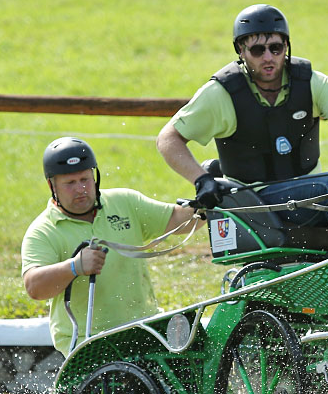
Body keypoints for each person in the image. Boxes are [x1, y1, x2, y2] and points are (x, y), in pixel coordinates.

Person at [156, 3, 328, 249]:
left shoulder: (312, 82)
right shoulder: (221, 94)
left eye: (275, 47)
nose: (268, 57)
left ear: (286, 46)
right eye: (258, 50)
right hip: (253, 203)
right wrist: (201, 180)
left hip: (307, 200)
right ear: (241, 50)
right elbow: (168, 138)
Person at [22, 137, 201, 354]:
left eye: (85, 179)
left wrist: (208, 200)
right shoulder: (43, 231)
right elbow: (34, 287)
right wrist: (74, 267)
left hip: (143, 328)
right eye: (70, 183)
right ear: (52, 185)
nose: (80, 189)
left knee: (197, 347)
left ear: (94, 176)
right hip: (86, 342)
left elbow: (175, 219)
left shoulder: (124, 202)